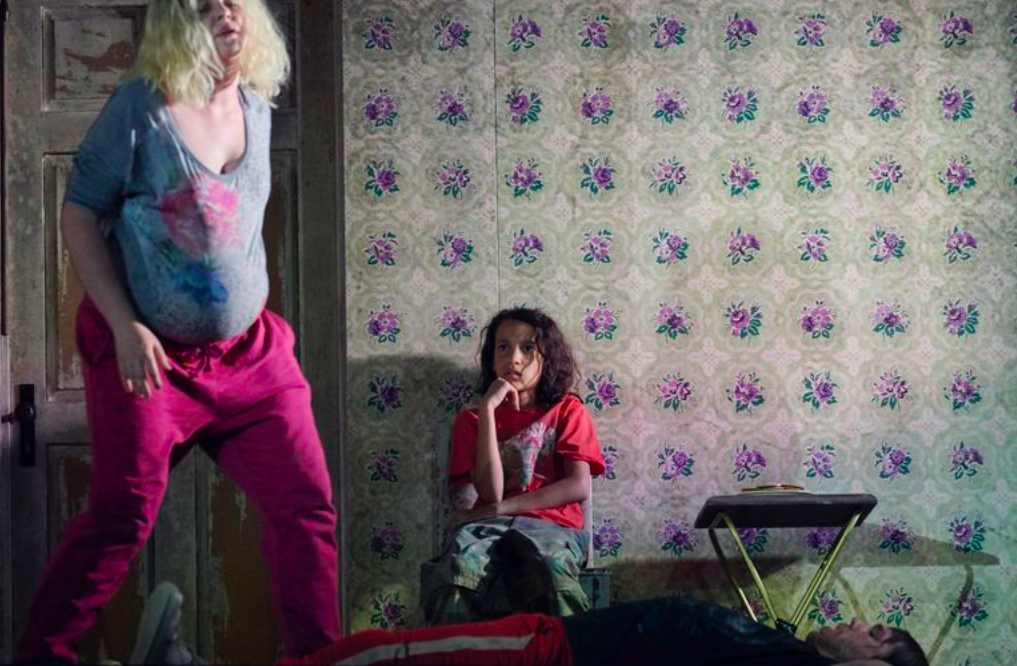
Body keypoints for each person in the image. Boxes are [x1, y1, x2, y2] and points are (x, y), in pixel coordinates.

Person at [15, 0, 340, 662]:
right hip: (150, 356)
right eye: (203, 3)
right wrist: (124, 325)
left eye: (233, 0)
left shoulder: (255, 104)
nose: (224, 11)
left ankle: (321, 658)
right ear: (177, 21)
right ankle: (41, 655)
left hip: (249, 357)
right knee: (121, 516)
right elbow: (79, 216)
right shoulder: (141, 110)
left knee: (306, 506)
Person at [134, 581, 929, 666]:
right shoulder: (783, 648)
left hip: (550, 655)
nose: (858, 621)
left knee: (384, 655)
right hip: (553, 643)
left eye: (875, 634)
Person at [420, 308, 606, 625]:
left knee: (551, 570)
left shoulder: (568, 410)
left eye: (528, 347)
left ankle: (565, 648)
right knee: (457, 571)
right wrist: (488, 410)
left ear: (547, 356)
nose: (514, 359)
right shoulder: (471, 420)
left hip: (552, 526)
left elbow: (577, 486)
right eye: (503, 347)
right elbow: (490, 491)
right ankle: (455, 650)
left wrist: (499, 509)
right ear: (491, 359)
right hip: (485, 528)